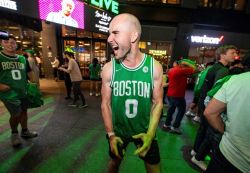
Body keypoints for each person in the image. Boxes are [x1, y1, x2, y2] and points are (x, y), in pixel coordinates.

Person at [101, 13, 163, 173]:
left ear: (134, 36)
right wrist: (111, 135)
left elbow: (158, 102)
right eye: (109, 33)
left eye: (115, 33)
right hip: (118, 132)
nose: (109, 39)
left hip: (145, 131)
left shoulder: (154, 67)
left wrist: (150, 134)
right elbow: (105, 104)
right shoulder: (109, 68)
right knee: (114, 164)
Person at [190, 45, 237, 171]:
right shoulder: (223, 71)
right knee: (210, 133)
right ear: (222, 55)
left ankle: (196, 151)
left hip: (203, 102)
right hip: (209, 105)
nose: (235, 55)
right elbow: (216, 91)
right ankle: (198, 156)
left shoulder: (213, 68)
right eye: (232, 53)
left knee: (203, 129)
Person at [204, 72, 250, 173]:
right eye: (232, 54)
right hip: (241, 163)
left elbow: (210, 111)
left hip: (226, 153)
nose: (235, 55)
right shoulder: (228, 78)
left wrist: (226, 132)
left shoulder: (236, 80)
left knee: (207, 138)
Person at [0, 36, 38, 147]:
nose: (10, 44)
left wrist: (33, 83)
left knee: (24, 111)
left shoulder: (22, 58)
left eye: (12, 42)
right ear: (2, 43)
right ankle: (14, 133)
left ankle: (25, 131)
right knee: (16, 113)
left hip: (23, 91)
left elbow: (29, 72)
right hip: (8, 93)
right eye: (6, 42)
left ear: (16, 45)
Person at [162, 59, 196, 134]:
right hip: (178, 95)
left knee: (171, 109)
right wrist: (188, 63)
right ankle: (175, 127)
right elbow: (193, 69)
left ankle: (166, 124)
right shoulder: (181, 70)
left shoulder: (171, 70)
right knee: (181, 111)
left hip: (170, 94)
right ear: (182, 65)